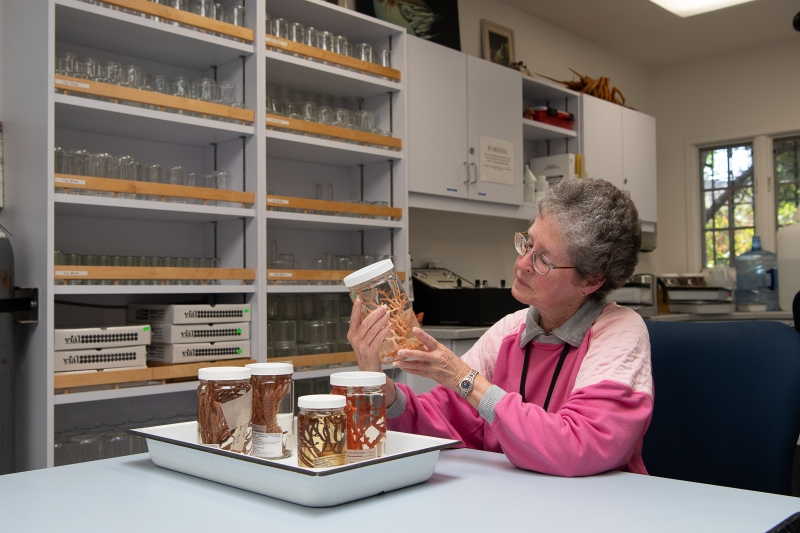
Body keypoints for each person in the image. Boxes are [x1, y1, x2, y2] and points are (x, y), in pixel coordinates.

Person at [348, 177, 653, 477]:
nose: (521, 265)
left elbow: (579, 446)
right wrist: (380, 388)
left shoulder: (619, 330)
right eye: (527, 244)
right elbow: (445, 422)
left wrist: (464, 379)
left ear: (591, 280)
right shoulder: (511, 329)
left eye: (543, 259)